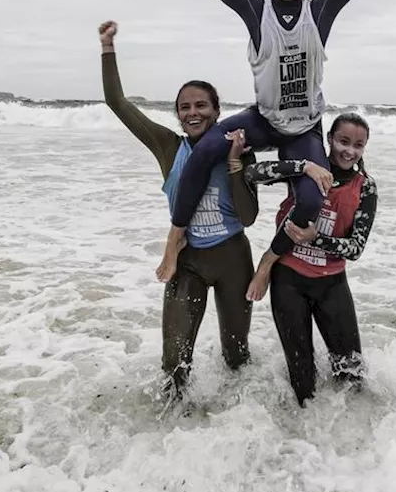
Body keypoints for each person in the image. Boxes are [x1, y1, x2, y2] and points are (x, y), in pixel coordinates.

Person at [156, 0, 379, 290]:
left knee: (311, 202)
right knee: (204, 150)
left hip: (304, 130)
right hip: (264, 120)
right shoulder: (256, 11)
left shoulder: (321, 11)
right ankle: (176, 234)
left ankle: (268, 261)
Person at [99, 20, 332, 400]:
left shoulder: (236, 149)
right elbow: (118, 104)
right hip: (187, 260)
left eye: (201, 106)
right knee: (174, 363)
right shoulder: (168, 147)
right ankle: (171, 437)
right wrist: (107, 48)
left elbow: (248, 218)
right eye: (185, 107)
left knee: (237, 357)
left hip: (233, 261)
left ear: (216, 111)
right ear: (177, 114)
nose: (193, 113)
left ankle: (235, 430)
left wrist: (237, 165)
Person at [242, 113, 378, 406]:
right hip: (288, 280)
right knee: (302, 378)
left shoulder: (364, 186)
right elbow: (252, 173)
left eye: (358, 145)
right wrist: (303, 166)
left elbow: (355, 249)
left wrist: (314, 238)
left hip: (331, 284)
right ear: (329, 139)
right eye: (343, 141)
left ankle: (357, 436)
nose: (349, 151)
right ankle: (302, 437)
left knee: (351, 373)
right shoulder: (309, 173)